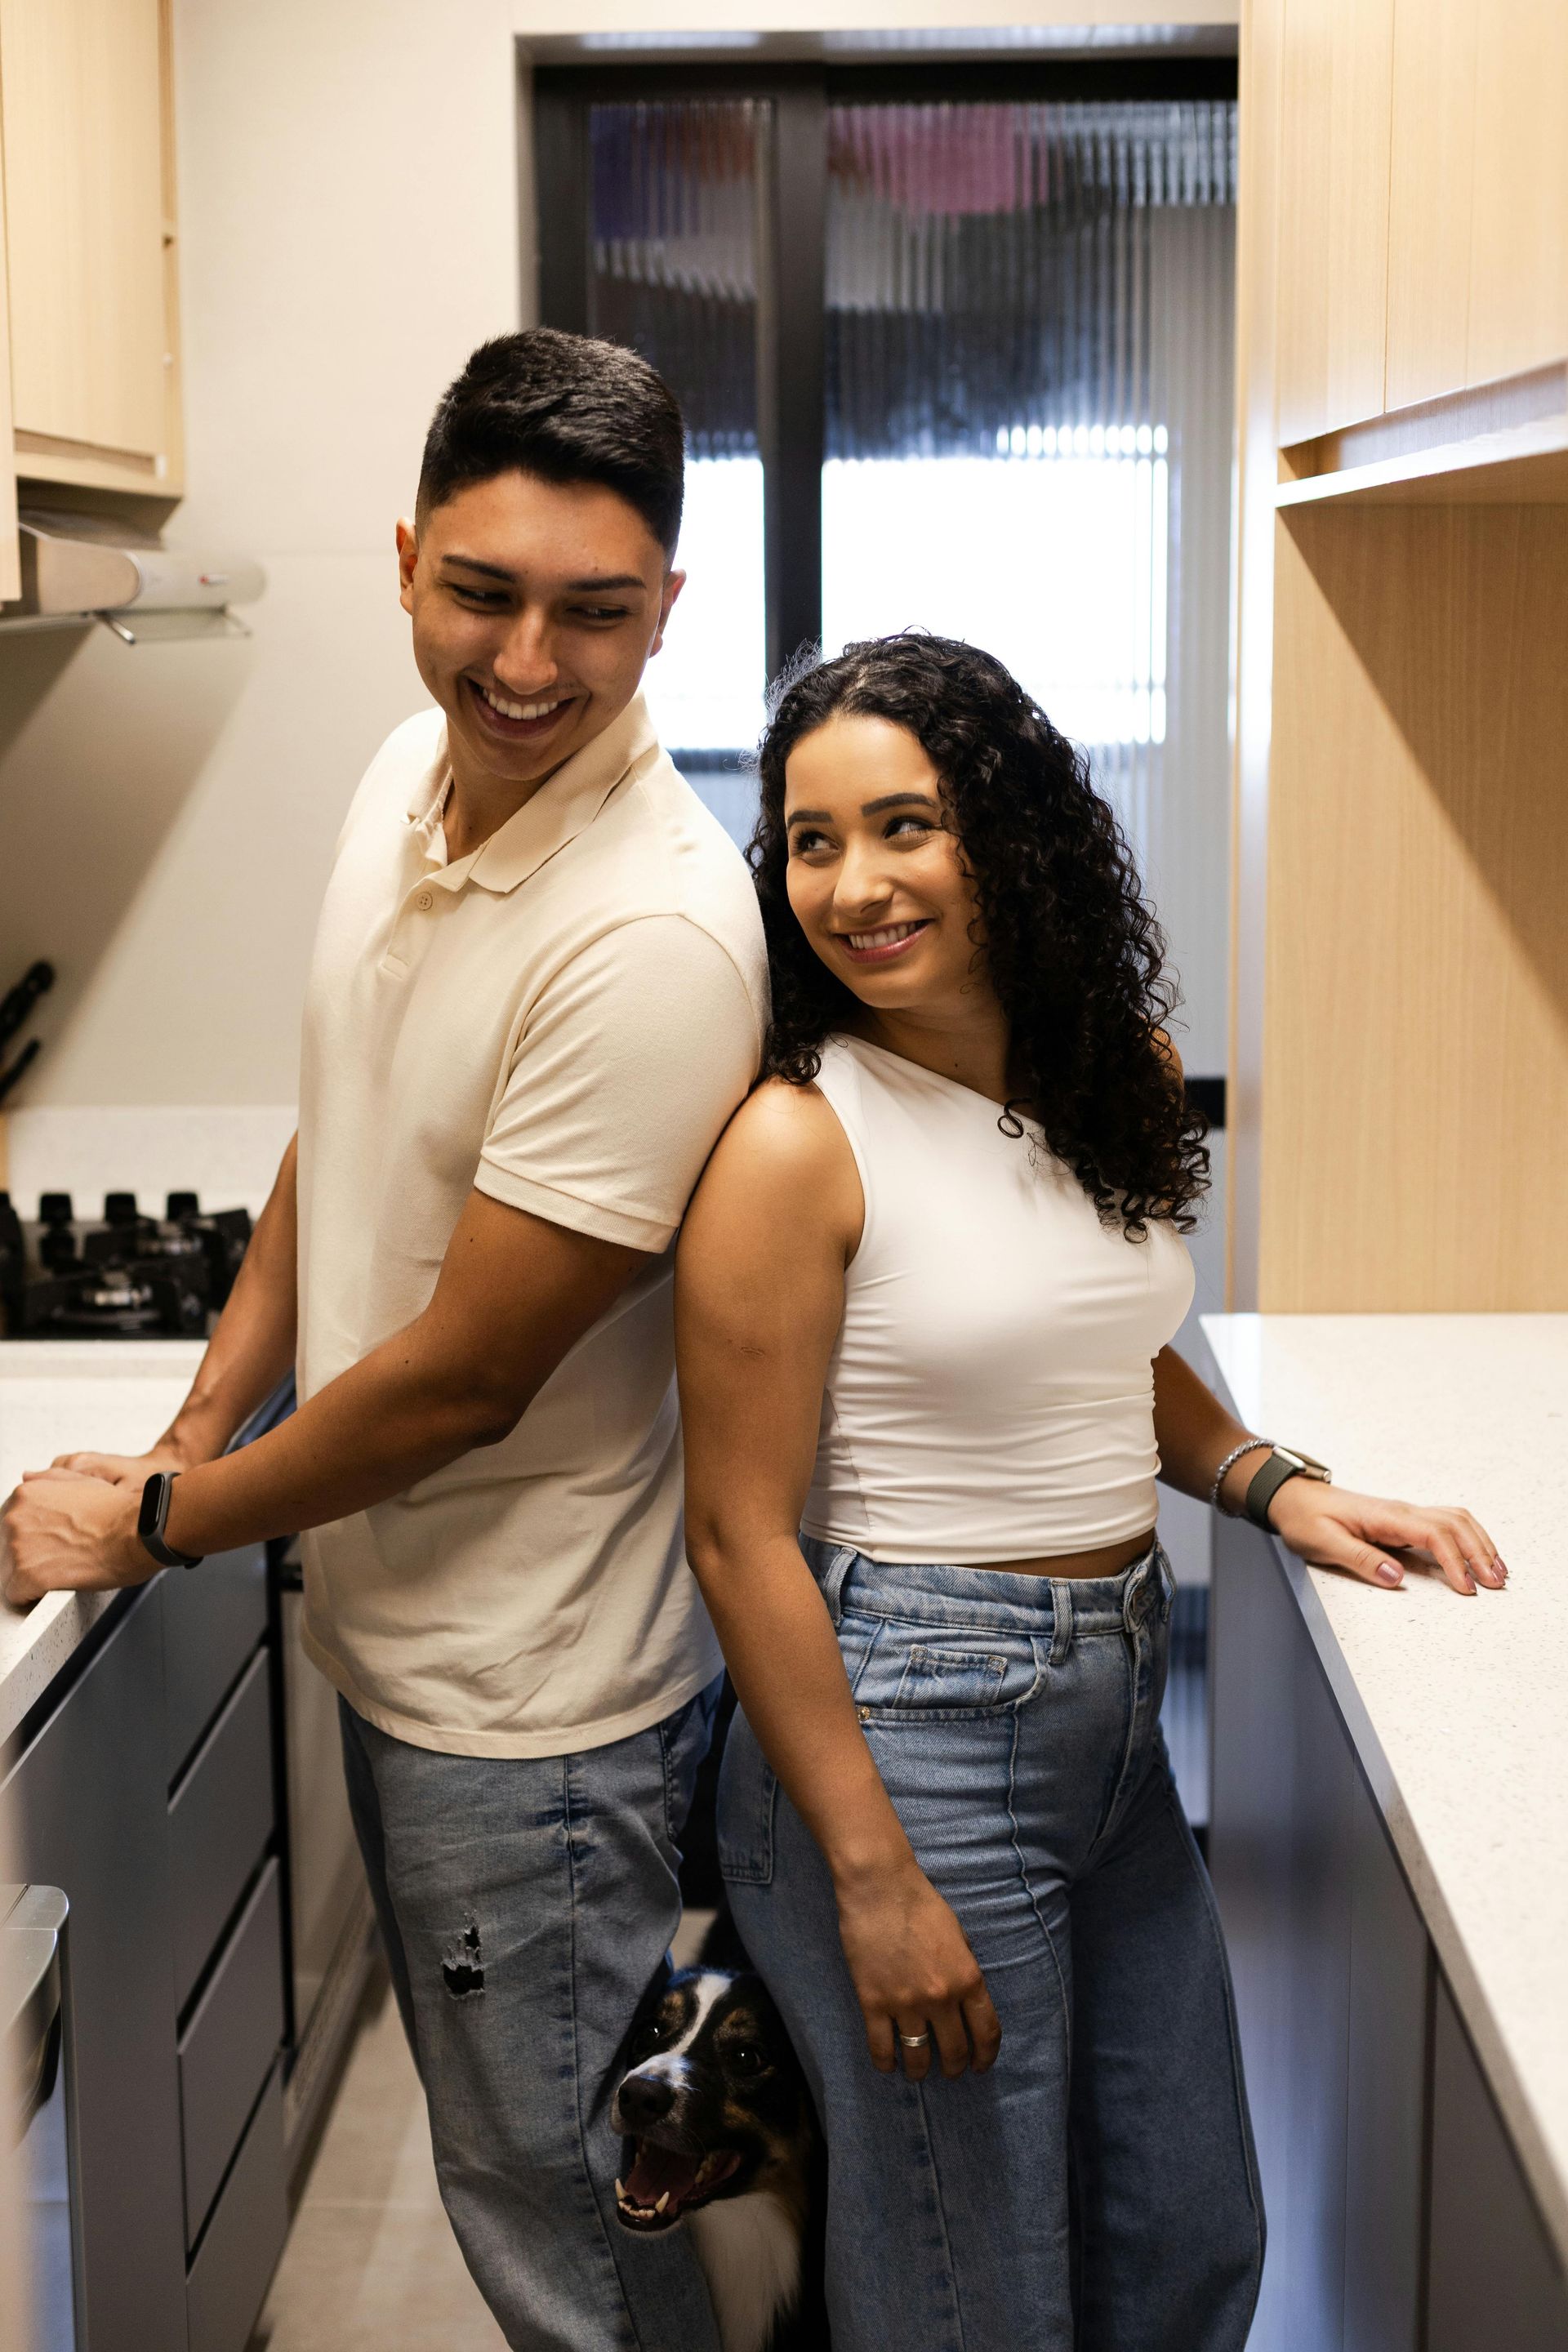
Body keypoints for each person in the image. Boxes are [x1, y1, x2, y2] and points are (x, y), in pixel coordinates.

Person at [0, 330, 768, 2352]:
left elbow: (463, 1376)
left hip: (529, 1714)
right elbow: (343, 1127)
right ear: (407, 556)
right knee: (530, 2181)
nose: (528, 662)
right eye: (484, 595)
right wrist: (194, 1416)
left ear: (668, 609)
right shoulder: (400, 776)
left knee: (561, 2234)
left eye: (595, 614)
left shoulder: (658, 935)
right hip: (409, 1638)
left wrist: (164, 1519)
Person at [674, 631, 1506, 2351]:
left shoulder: (1103, 1070)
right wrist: (874, 1878)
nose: (853, 883)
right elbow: (736, 1532)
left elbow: (1096, 1349)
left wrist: (1274, 1484)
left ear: (1013, 832)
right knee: (970, 2291)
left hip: (1113, 1710)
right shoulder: (796, 1138)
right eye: (811, 842)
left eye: (903, 826)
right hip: (906, 1724)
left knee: (1186, 2235)